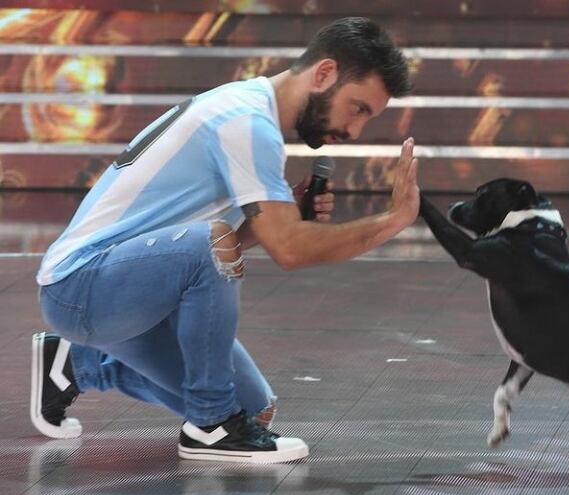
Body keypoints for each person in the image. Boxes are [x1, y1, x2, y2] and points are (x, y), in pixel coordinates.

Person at [30, 17, 419, 463]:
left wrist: (269, 221)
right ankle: (210, 425)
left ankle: (77, 365)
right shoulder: (246, 122)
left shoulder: (249, 112)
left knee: (254, 412)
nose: (354, 131)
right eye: (358, 108)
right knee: (210, 248)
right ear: (324, 73)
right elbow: (287, 250)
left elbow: (218, 248)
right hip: (80, 288)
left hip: (131, 292)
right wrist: (393, 220)